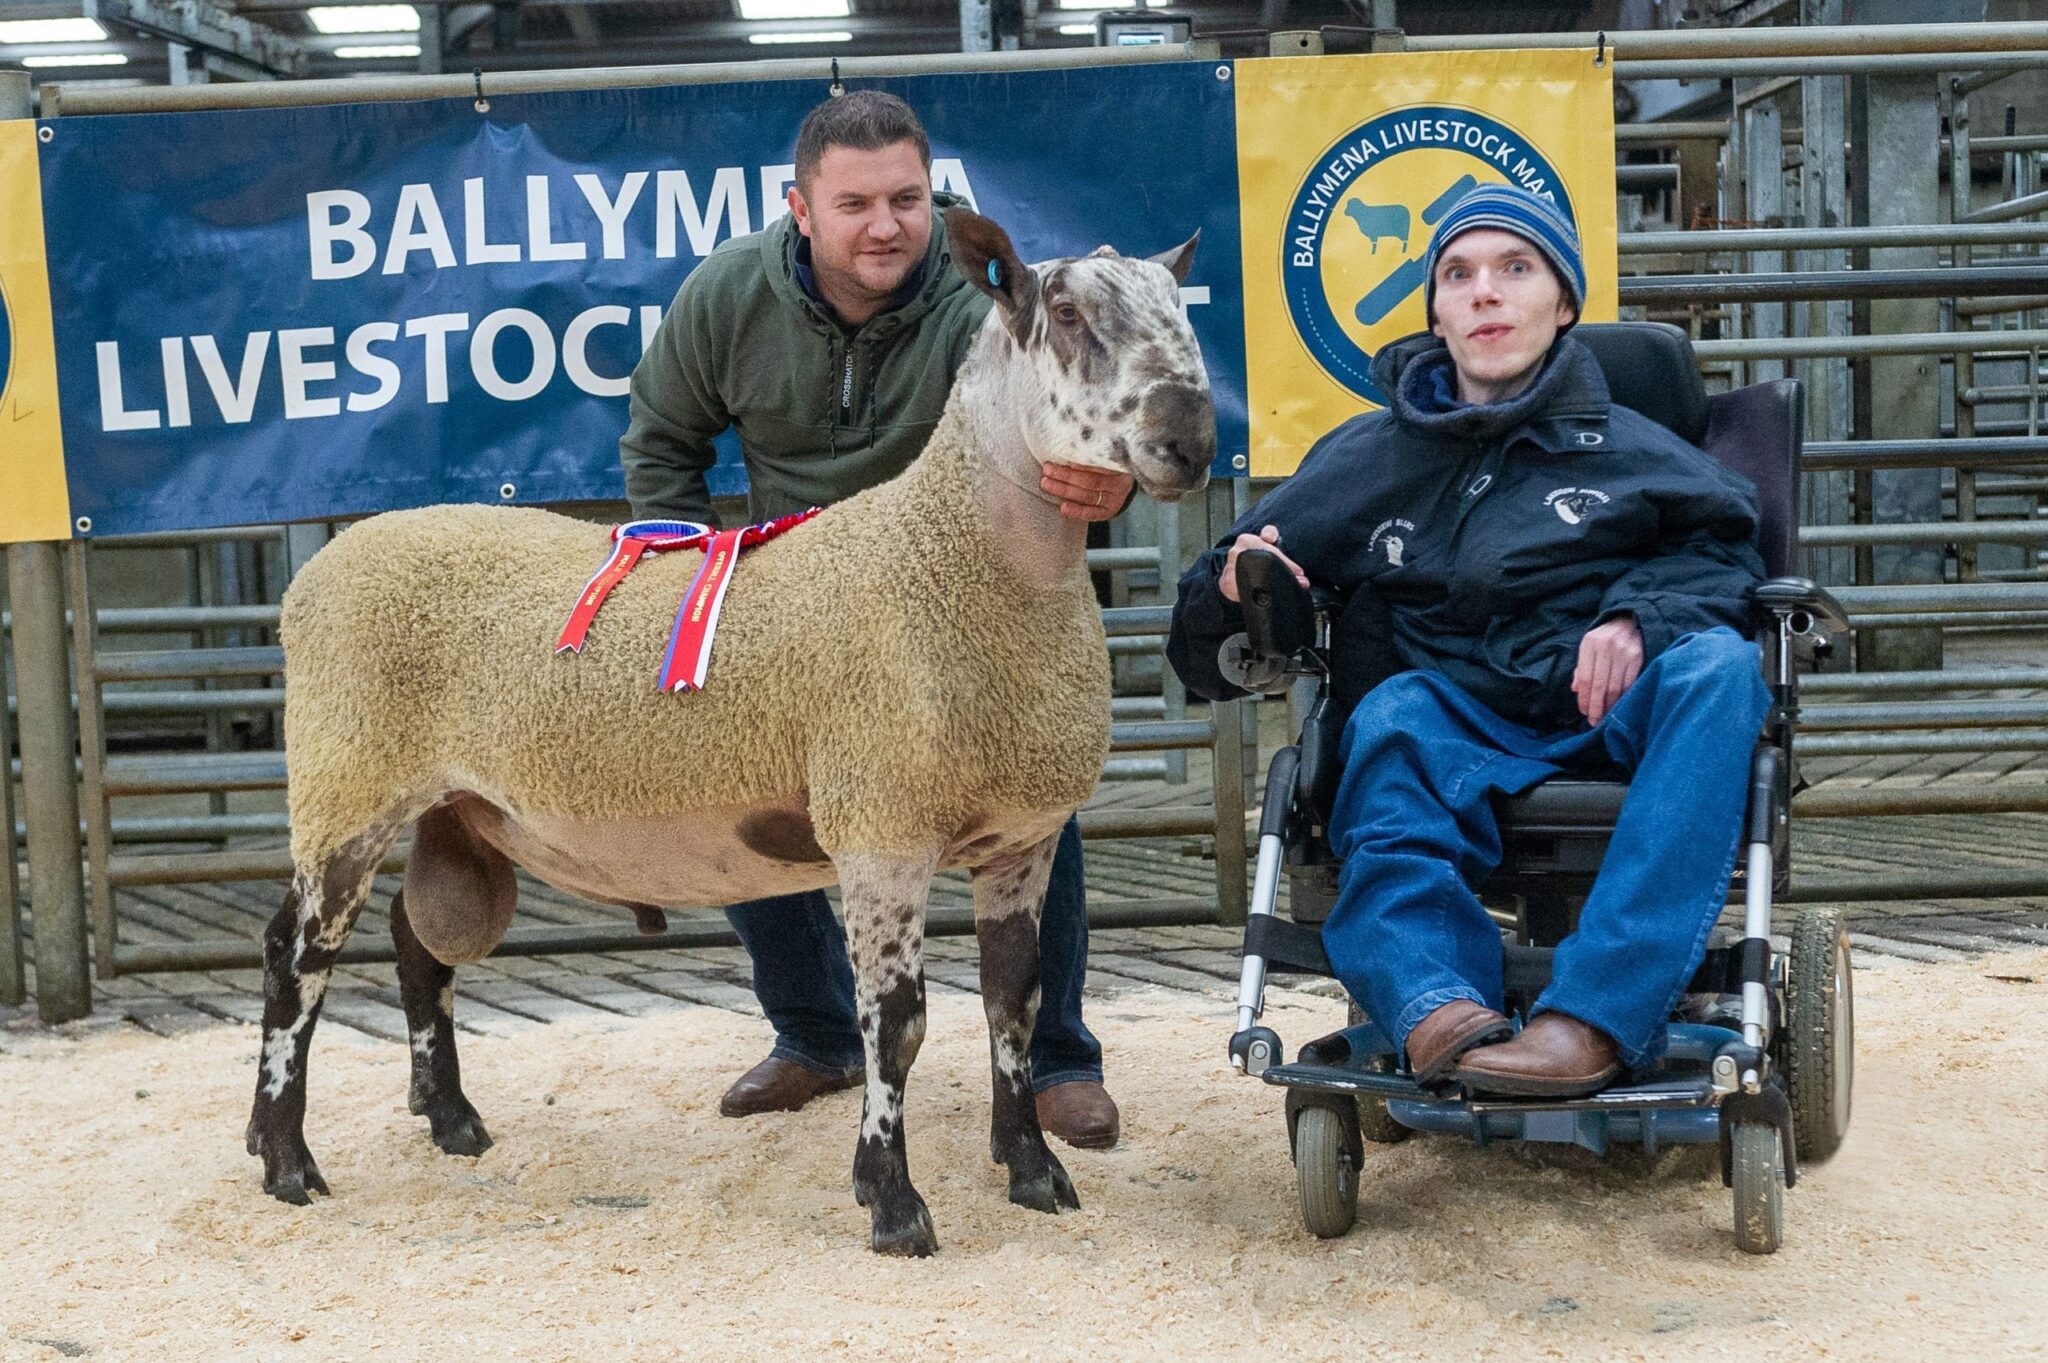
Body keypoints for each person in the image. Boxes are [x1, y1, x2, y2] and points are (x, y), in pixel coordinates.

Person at [1168, 185, 1770, 1097]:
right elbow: (1212, 605)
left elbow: (1730, 557)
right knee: (1391, 717)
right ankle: (1435, 1003)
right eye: (1459, 274)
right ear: (1437, 312)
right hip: (1452, 709)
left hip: (1603, 704)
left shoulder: (1636, 448)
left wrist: (1640, 618)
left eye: (1515, 269)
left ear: (1563, 303)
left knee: (1723, 668)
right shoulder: (1366, 457)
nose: (1486, 293)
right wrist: (1231, 586)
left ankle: (1595, 1017)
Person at [619, 90, 1122, 1146]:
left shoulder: (979, 300)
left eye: (906, 198)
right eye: (854, 204)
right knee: (744, 772)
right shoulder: (724, 296)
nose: (886, 225)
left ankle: (1055, 1057)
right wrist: (677, 571)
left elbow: (1060, 416)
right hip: (792, 593)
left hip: (952, 595)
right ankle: (815, 1036)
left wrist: (1097, 486)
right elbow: (662, 435)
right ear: (798, 208)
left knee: (1029, 793)